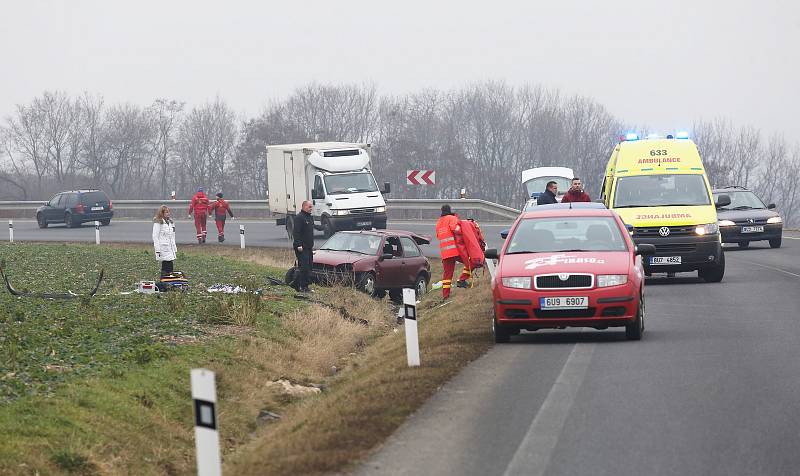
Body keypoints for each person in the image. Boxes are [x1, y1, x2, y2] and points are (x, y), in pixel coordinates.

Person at [436, 204, 469, 299]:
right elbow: (456, 229)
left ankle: (445, 295)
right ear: (449, 210)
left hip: (445, 253)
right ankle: (462, 279)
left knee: (447, 275)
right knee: (471, 261)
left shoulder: (439, 222)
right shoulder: (452, 218)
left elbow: (438, 236)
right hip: (455, 251)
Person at [292, 200, 316, 293]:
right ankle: (302, 287)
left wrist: (324, 227)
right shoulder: (299, 218)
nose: (311, 209)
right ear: (304, 207)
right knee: (304, 267)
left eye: (311, 207)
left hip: (308, 247)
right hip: (301, 247)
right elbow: (296, 232)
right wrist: (298, 244)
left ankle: (306, 286)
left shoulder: (309, 217)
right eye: (309, 207)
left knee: (309, 267)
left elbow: (312, 227)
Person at [152, 205, 177, 276]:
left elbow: (172, 236)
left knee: (170, 264)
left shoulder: (171, 222)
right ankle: (164, 281)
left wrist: (174, 248)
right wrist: (157, 249)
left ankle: (168, 281)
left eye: (169, 212)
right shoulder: (158, 222)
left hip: (170, 248)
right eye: (166, 212)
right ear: (162, 213)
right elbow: (155, 236)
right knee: (166, 264)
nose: (168, 213)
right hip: (163, 248)